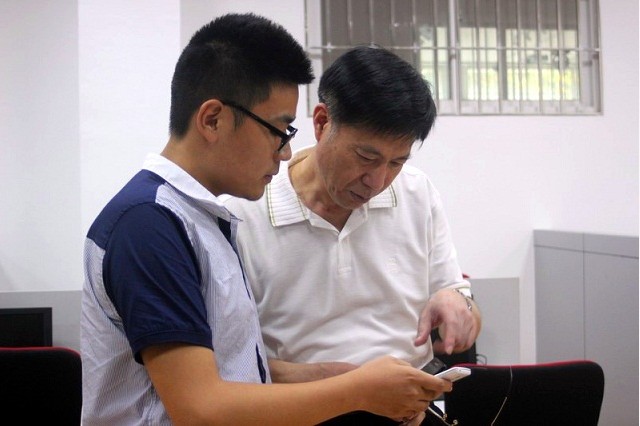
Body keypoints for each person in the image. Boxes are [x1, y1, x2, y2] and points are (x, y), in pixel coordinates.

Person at [81, 14, 451, 426]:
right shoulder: (149, 224)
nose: (286, 151)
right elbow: (200, 409)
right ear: (213, 119)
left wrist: (327, 377)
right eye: (279, 130)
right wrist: (359, 392)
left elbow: (233, 369)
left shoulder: (201, 218)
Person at [224, 45, 482, 424]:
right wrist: (342, 386)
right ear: (321, 122)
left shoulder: (416, 192)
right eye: (366, 157)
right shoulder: (244, 211)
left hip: (407, 415)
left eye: (396, 162)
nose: (377, 181)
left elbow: (463, 304)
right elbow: (224, 365)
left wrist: (461, 306)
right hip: (296, 413)